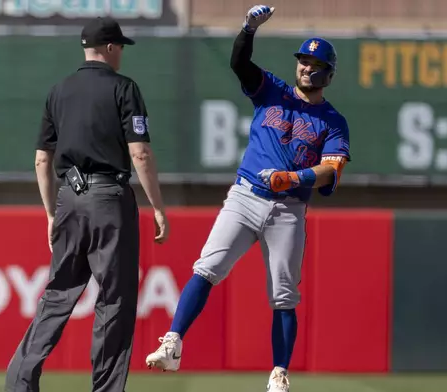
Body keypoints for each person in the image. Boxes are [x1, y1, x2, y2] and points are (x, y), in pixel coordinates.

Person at [144, 4, 350, 392]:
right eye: (303, 60)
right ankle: (173, 342)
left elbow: (331, 169)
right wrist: (247, 30)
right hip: (245, 196)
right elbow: (240, 63)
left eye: (314, 62)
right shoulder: (272, 90)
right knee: (207, 267)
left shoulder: (333, 121)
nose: (306, 67)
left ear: (328, 73)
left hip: (289, 208)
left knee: (283, 294)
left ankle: (278, 373)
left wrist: (291, 177)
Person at [4, 16, 169, 392]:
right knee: (114, 301)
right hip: (109, 199)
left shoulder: (58, 91)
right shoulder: (124, 88)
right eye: (121, 46)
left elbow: (42, 160)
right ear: (110, 47)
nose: (122, 53)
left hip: (68, 198)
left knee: (57, 295)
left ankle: (18, 383)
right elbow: (140, 153)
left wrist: (50, 213)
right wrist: (157, 207)